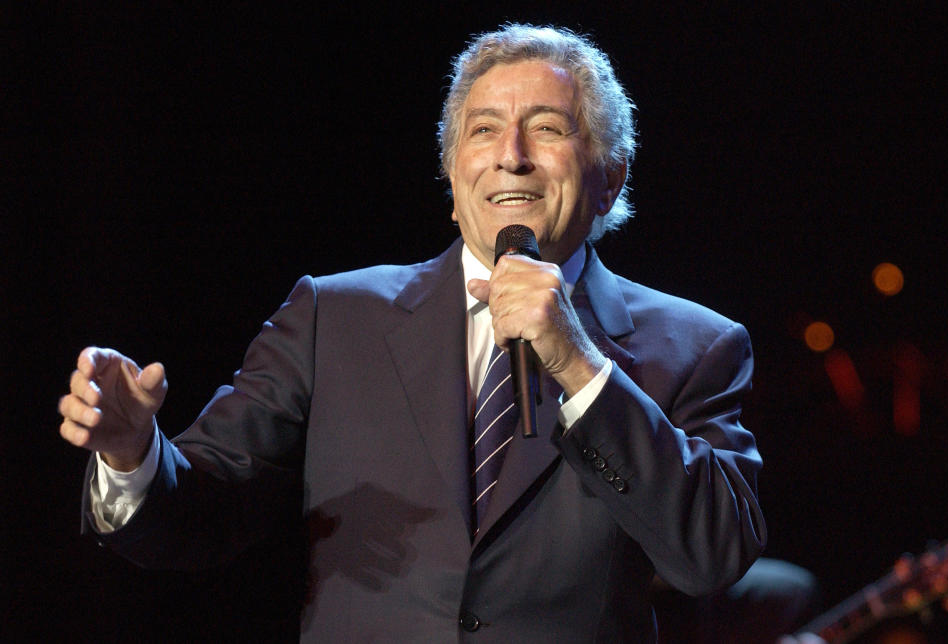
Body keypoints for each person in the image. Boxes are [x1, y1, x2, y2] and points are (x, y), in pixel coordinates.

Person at [58, 24, 767, 641]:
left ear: (610, 177)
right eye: (483, 129)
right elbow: (204, 510)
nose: (510, 154)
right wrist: (132, 454)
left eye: (548, 128)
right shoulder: (332, 316)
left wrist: (578, 364)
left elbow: (711, 555)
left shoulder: (696, 345)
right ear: (452, 174)